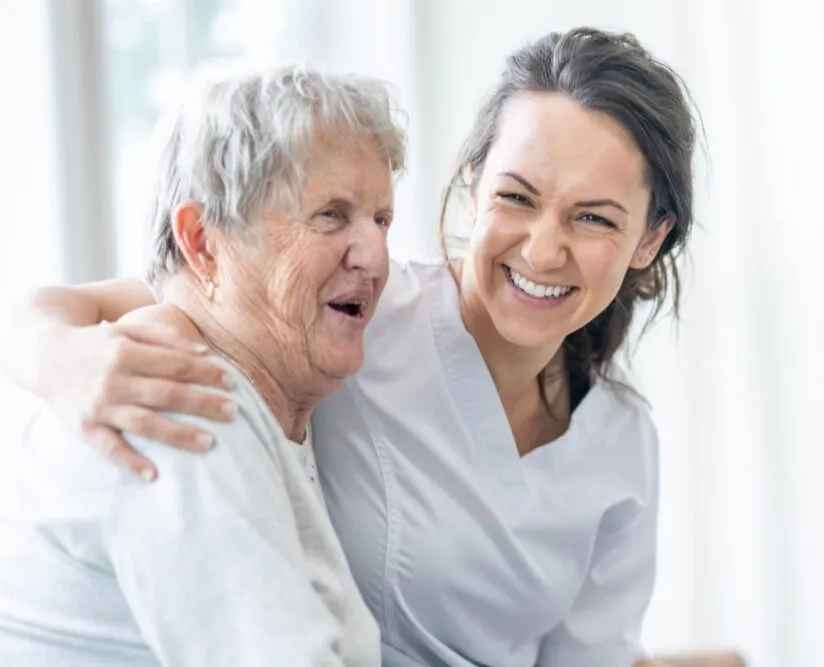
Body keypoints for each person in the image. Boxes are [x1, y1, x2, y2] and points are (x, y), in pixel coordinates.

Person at [1, 28, 697, 667]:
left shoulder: (622, 443)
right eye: (517, 197)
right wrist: (61, 358)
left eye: (594, 218)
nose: (544, 250)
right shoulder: (341, 321)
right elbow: (176, 295)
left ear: (649, 239)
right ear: (473, 187)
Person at [0, 65, 405, 666]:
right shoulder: (176, 396)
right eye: (330, 215)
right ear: (203, 242)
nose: (376, 256)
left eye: (381, 220)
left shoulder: (256, 362)